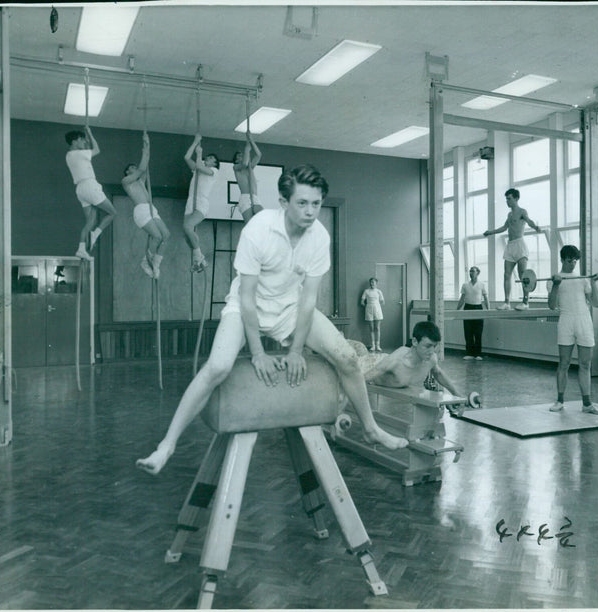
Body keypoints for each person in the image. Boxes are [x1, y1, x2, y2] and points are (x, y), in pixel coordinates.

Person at [136, 164, 407, 475]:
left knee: (347, 357)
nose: (310, 212)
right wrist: (258, 353)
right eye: (302, 203)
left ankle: (370, 427)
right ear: (283, 202)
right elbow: (248, 297)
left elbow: (308, 301)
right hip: (246, 306)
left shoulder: (319, 237)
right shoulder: (259, 229)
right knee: (218, 367)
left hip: (290, 308)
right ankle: (167, 445)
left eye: (316, 204)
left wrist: (295, 351)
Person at [546, 245, 598, 415]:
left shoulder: (583, 278)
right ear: (563, 259)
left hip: (584, 320)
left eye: (575, 261)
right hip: (566, 320)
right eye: (570, 260)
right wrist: (556, 285)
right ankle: (559, 401)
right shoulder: (554, 279)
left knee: (586, 364)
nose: (573, 264)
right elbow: (551, 305)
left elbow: (597, 303)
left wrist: (593, 281)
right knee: (564, 363)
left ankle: (587, 404)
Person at [360, 321, 464, 397]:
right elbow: (359, 380)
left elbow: (438, 373)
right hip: (370, 364)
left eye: (434, 346)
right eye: (427, 346)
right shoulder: (395, 361)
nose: (432, 351)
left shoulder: (432, 359)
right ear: (414, 342)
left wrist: (456, 394)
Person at [482, 188, 542, 311]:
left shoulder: (522, 211)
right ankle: (507, 302)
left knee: (523, 275)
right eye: (506, 199)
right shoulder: (509, 215)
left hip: (520, 245)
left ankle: (525, 302)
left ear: (516, 198)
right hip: (510, 246)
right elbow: (504, 227)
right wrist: (491, 232)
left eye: (509, 199)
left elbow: (529, 221)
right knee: (506, 275)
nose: (507, 201)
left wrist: (535, 227)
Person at [122, 132, 170, 279]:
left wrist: (147, 144)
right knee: (156, 236)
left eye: (134, 166)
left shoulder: (141, 181)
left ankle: (155, 263)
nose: (134, 168)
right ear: (127, 172)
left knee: (166, 235)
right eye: (131, 167)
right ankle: (145, 262)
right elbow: (142, 168)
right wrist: (144, 153)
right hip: (141, 210)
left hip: (151, 209)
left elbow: (145, 162)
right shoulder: (126, 182)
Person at [65, 127, 116, 260]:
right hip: (89, 185)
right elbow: (97, 149)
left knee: (90, 222)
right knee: (112, 213)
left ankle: (81, 249)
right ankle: (95, 234)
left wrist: (86, 139)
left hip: (80, 189)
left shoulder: (70, 155)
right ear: (75, 141)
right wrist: (90, 133)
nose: (83, 143)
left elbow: (87, 149)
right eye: (81, 140)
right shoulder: (79, 154)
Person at [183, 134, 219, 272]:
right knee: (186, 235)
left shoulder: (213, 171)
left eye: (211, 158)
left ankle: (199, 257)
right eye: (207, 157)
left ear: (215, 164)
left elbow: (199, 164)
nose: (207, 159)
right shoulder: (198, 169)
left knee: (188, 227)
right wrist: (195, 142)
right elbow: (186, 158)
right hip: (190, 201)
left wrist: (200, 153)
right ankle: (199, 260)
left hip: (201, 202)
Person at [455, 266, 490, 360]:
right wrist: (457, 310)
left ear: (478, 273)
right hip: (468, 307)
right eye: (470, 271)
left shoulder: (482, 284)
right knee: (468, 331)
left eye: (473, 271)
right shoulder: (465, 285)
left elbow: (486, 298)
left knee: (478, 331)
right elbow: (462, 299)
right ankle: (469, 353)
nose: (471, 273)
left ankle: (478, 354)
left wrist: (488, 310)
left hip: (478, 308)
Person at [233, 130, 262, 223]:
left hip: (255, 197)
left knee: (263, 220)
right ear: (236, 159)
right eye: (239, 156)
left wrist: (251, 139)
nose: (242, 156)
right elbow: (245, 163)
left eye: (243, 155)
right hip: (245, 198)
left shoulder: (250, 167)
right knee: (250, 225)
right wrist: (246, 150)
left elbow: (258, 155)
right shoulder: (236, 167)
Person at [360, 277, 385, 352]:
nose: (372, 284)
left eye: (373, 282)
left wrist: (376, 305)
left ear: (376, 283)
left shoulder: (379, 291)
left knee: (377, 328)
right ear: (369, 283)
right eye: (371, 282)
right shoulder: (366, 291)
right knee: (371, 328)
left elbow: (383, 301)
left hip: (377, 309)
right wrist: (368, 306)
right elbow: (362, 302)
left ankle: (378, 345)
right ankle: (373, 345)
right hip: (369, 310)